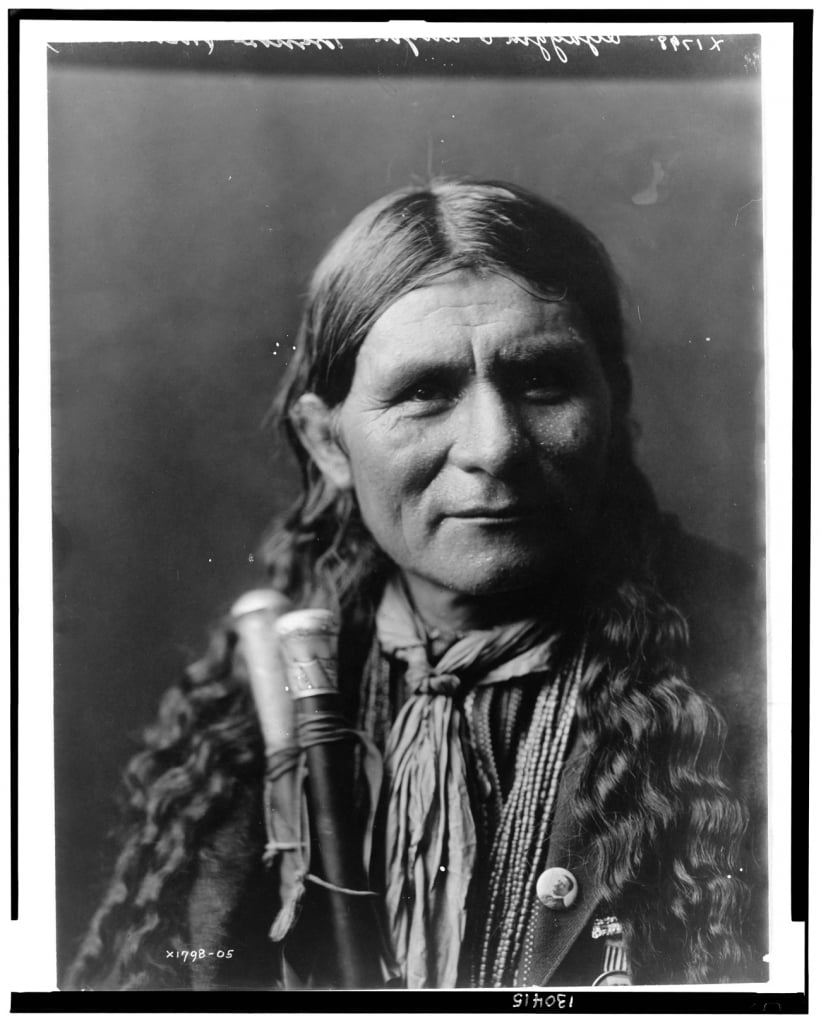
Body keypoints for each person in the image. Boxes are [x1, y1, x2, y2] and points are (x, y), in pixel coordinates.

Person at [65, 178, 767, 991]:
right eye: (425, 393)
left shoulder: (767, 673)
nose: (494, 447)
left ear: (614, 400)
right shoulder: (241, 718)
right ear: (327, 442)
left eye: (542, 382)